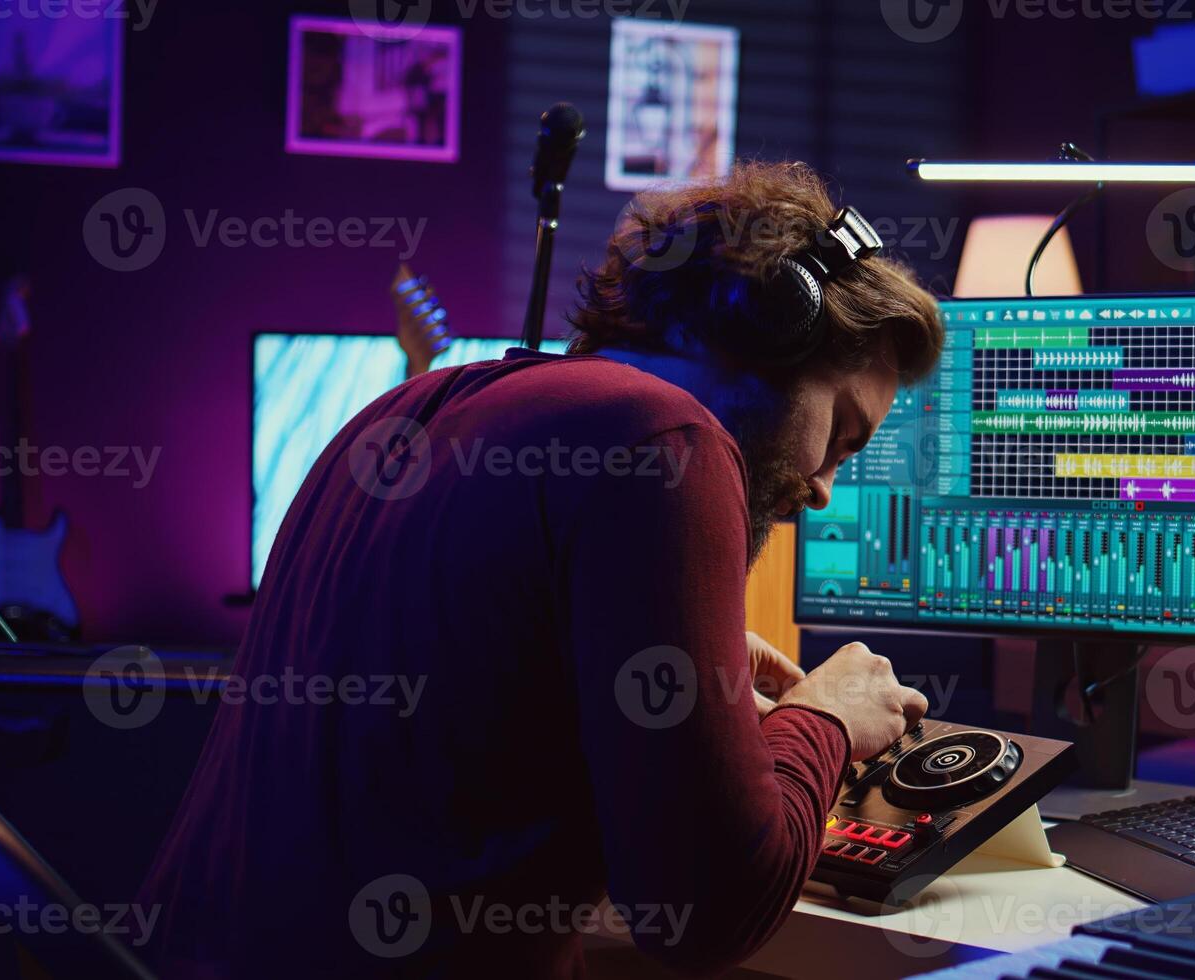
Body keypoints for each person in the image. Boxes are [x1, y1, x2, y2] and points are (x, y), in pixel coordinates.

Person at [136, 160, 944, 978]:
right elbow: (710, 911)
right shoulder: (668, 444)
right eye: (841, 437)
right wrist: (827, 720)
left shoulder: (401, 414)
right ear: (769, 326)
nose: (820, 488)